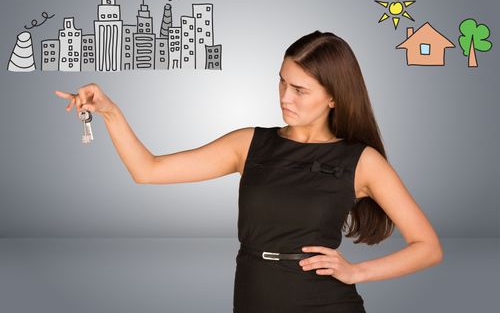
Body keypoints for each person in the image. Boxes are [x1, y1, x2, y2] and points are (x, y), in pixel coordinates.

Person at [55, 30, 443, 313]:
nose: (284, 97)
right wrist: (110, 111)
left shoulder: (363, 162)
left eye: (300, 89)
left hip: (326, 303)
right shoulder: (249, 144)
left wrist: (357, 271)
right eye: (281, 81)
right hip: (253, 298)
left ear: (333, 97)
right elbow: (148, 170)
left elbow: (428, 247)